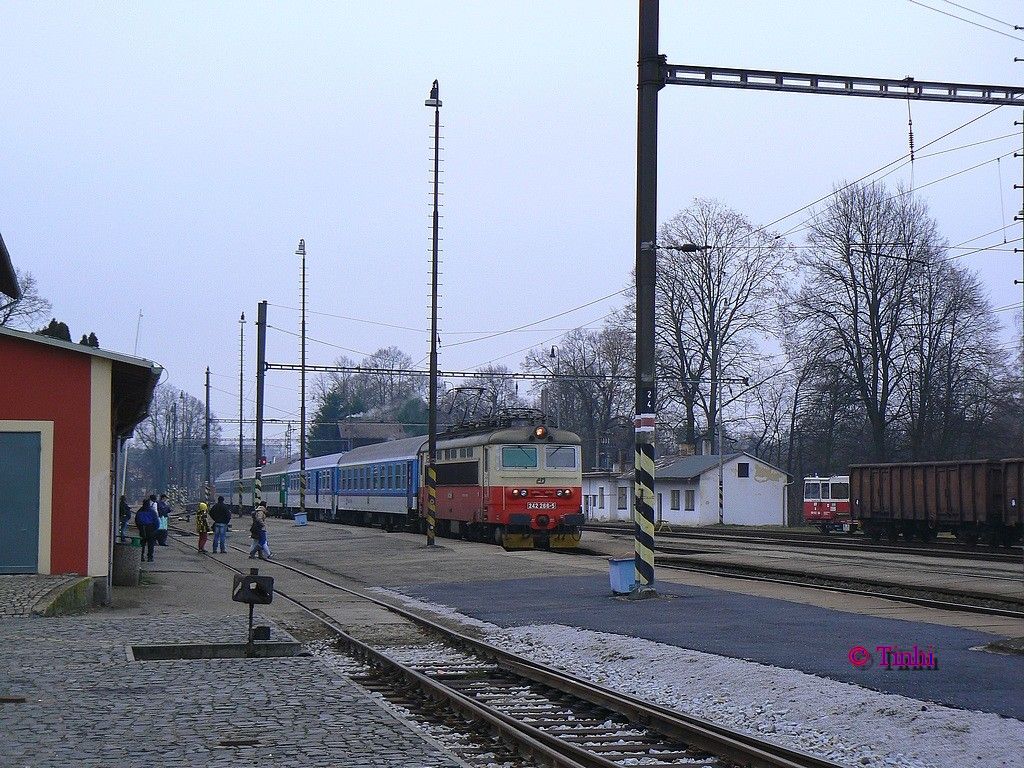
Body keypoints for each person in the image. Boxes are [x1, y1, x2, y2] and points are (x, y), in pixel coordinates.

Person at [135, 496, 159, 562]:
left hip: (142, 529)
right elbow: (156, 521)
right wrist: (155, 529)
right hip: (151, 529)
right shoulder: (152, 511)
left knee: (142, 543)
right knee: (151, 544)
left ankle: (141, 556)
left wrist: (140, 528)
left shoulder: (139, 511)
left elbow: (136, 521)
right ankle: (150, 557)